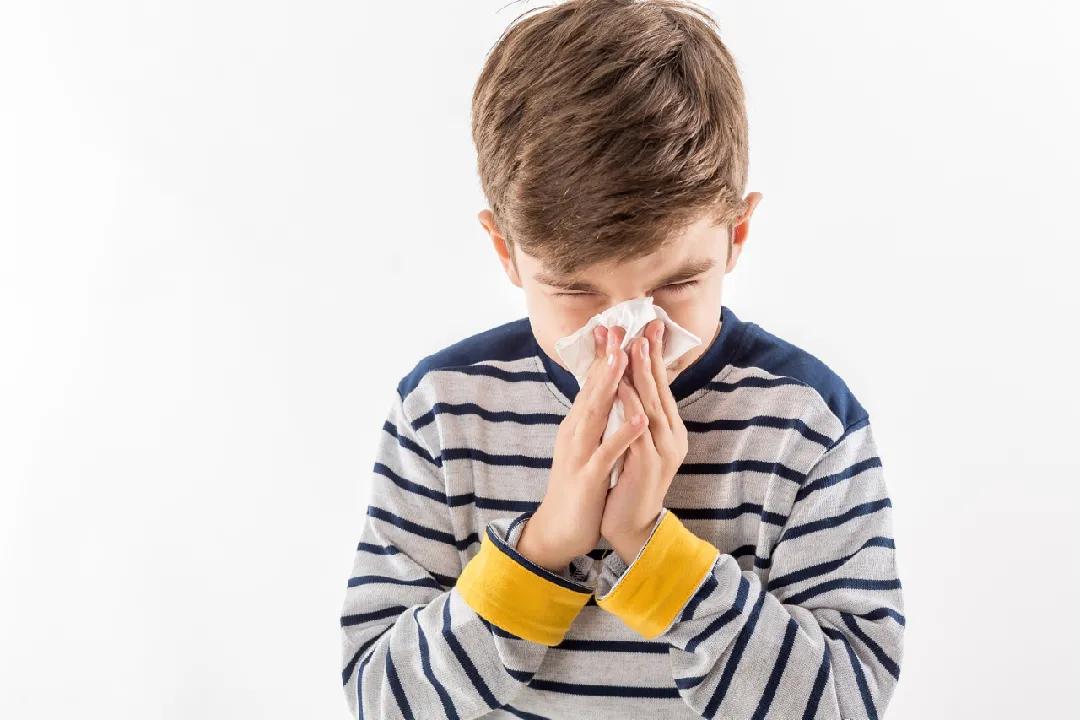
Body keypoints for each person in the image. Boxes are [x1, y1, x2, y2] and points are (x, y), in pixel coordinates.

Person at [340, 1, 905, 717]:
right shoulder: (444, 411)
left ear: (737, 235)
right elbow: (381, 698)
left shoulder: (805, 423)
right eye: (575, 290)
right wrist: (544, 545)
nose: (629, 334)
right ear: (504, 251)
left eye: (676, 284)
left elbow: (844, 703)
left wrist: (649, 545)